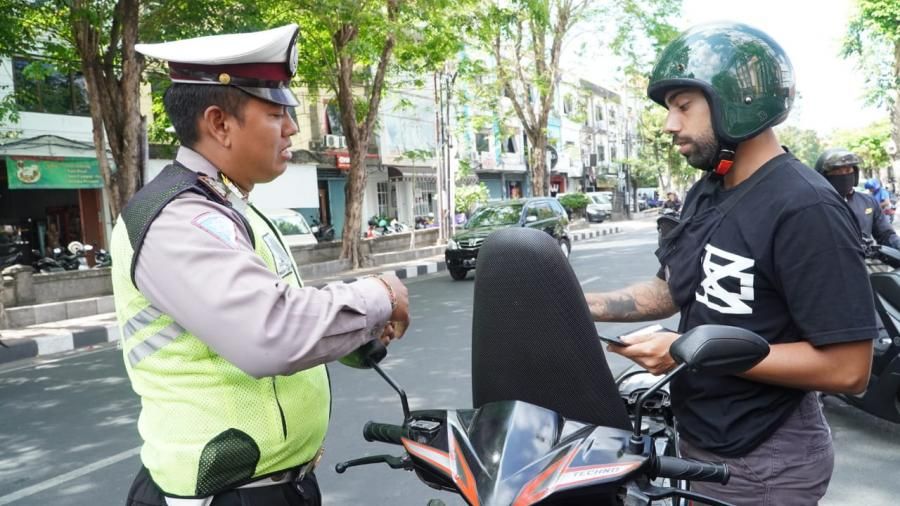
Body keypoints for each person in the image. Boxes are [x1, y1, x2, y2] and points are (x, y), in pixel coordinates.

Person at [114, 24, 410, 506]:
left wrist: (354, 334)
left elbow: (273, 311)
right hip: (225, 496)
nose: (292, 126)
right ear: (220, 123)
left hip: (273, 488)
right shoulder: (177, 217)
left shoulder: (230, 206)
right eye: (276, 112)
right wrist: (383, 292)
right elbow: (272, 332)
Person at [584, 23, 875, 505]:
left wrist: (683, 350)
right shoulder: (709, 191)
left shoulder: (804, 208)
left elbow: (849, 368)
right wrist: (572, 303)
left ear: (737, 101)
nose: (669, 124)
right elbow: (671, 289)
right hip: (704, 438)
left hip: (765, 457)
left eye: (683, 106)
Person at [815, 148, 900, 249]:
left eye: (848, 170)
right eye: (837, 171)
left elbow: (886, 235)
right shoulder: (815, 205)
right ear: (823, 176)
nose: (844, 175)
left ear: (855, 172)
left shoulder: (868, 202)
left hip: (865, 262)